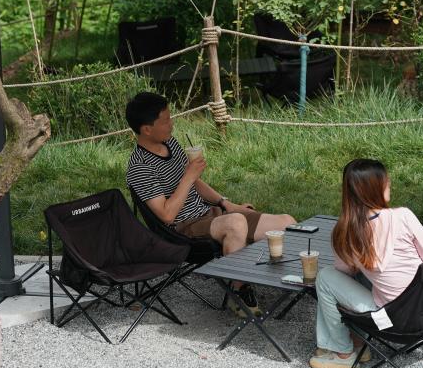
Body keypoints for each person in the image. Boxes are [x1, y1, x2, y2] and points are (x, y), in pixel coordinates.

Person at [124, 92, 295, 316]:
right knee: (235, 223)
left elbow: (196, 183)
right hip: (181, 228)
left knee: (286, 223)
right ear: (147, 129)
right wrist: (188, 176)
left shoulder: (170, 143)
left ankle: (278, 278)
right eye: (165, 121)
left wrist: (226, 203)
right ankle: (238, 292)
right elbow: (166, 215)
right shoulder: (140, 167)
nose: (172, 124)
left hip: (208, 215)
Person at [309, 158, 423, 368]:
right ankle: (358, 343)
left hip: (390, 322)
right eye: (385, 181)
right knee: (361, 276)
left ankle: (343, 352)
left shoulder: (346, 233)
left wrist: (362, 264)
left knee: (326, 277)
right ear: (372, 189)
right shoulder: (404, 216)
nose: (390, 184)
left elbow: (343, 272)